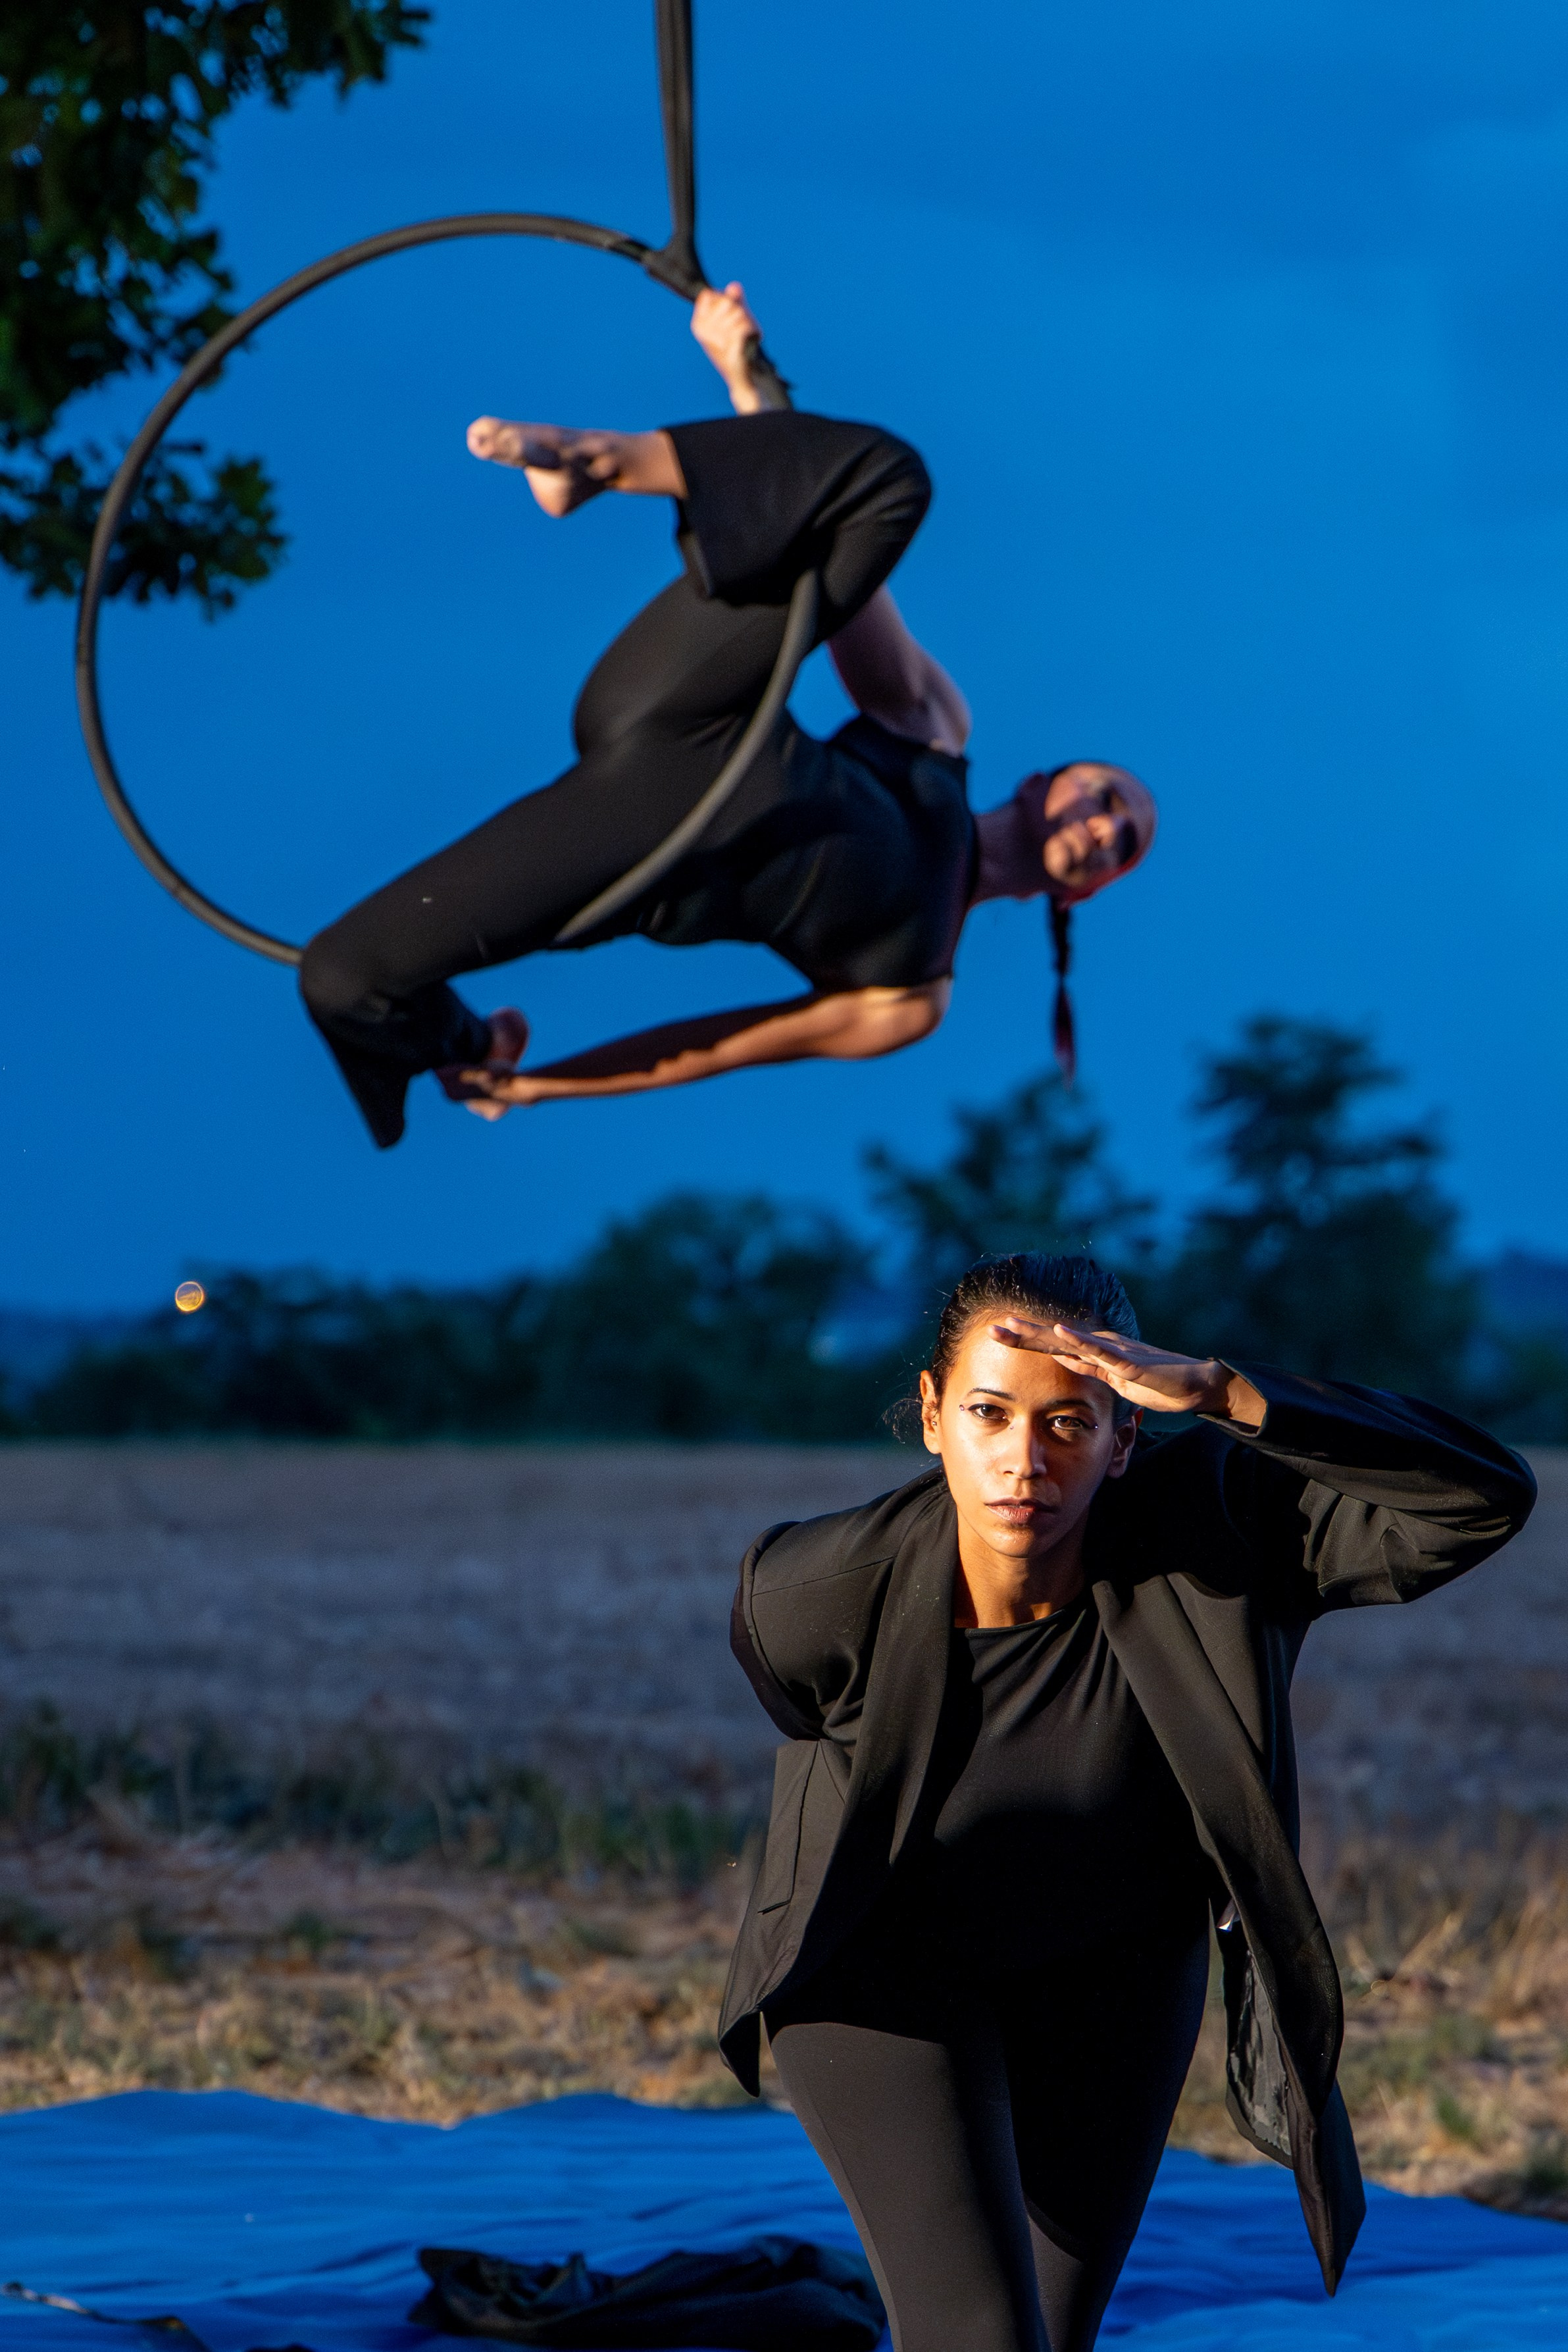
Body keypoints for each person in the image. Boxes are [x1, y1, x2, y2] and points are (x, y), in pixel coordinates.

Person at [722, 1252, 1536, 2352]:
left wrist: (1226, 1392)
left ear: (1124, 1438)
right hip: (884, 1963)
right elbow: (797, 1701)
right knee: (978, 2334)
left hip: (1114, 1973)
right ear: (933, 1415)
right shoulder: (812, 1592)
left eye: (1069, 1422)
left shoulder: (1215, 1534)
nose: (1024, 1460)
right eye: (989, 1413)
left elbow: (1482, 1496)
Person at [297, 286, 1155, 1148]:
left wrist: (533, 1086)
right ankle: (598, 462)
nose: (1102, 825)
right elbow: (838, 561)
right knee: (886, 483)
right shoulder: (936, 730)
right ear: (1042, 781)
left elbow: (713, 1048)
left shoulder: (911, 995)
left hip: (636, 847)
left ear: (1085, 890)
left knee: (341, 980)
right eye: (1106, 795)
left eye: (1121, 842)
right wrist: (747, 381)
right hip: (688, 709)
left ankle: (475, 1040)